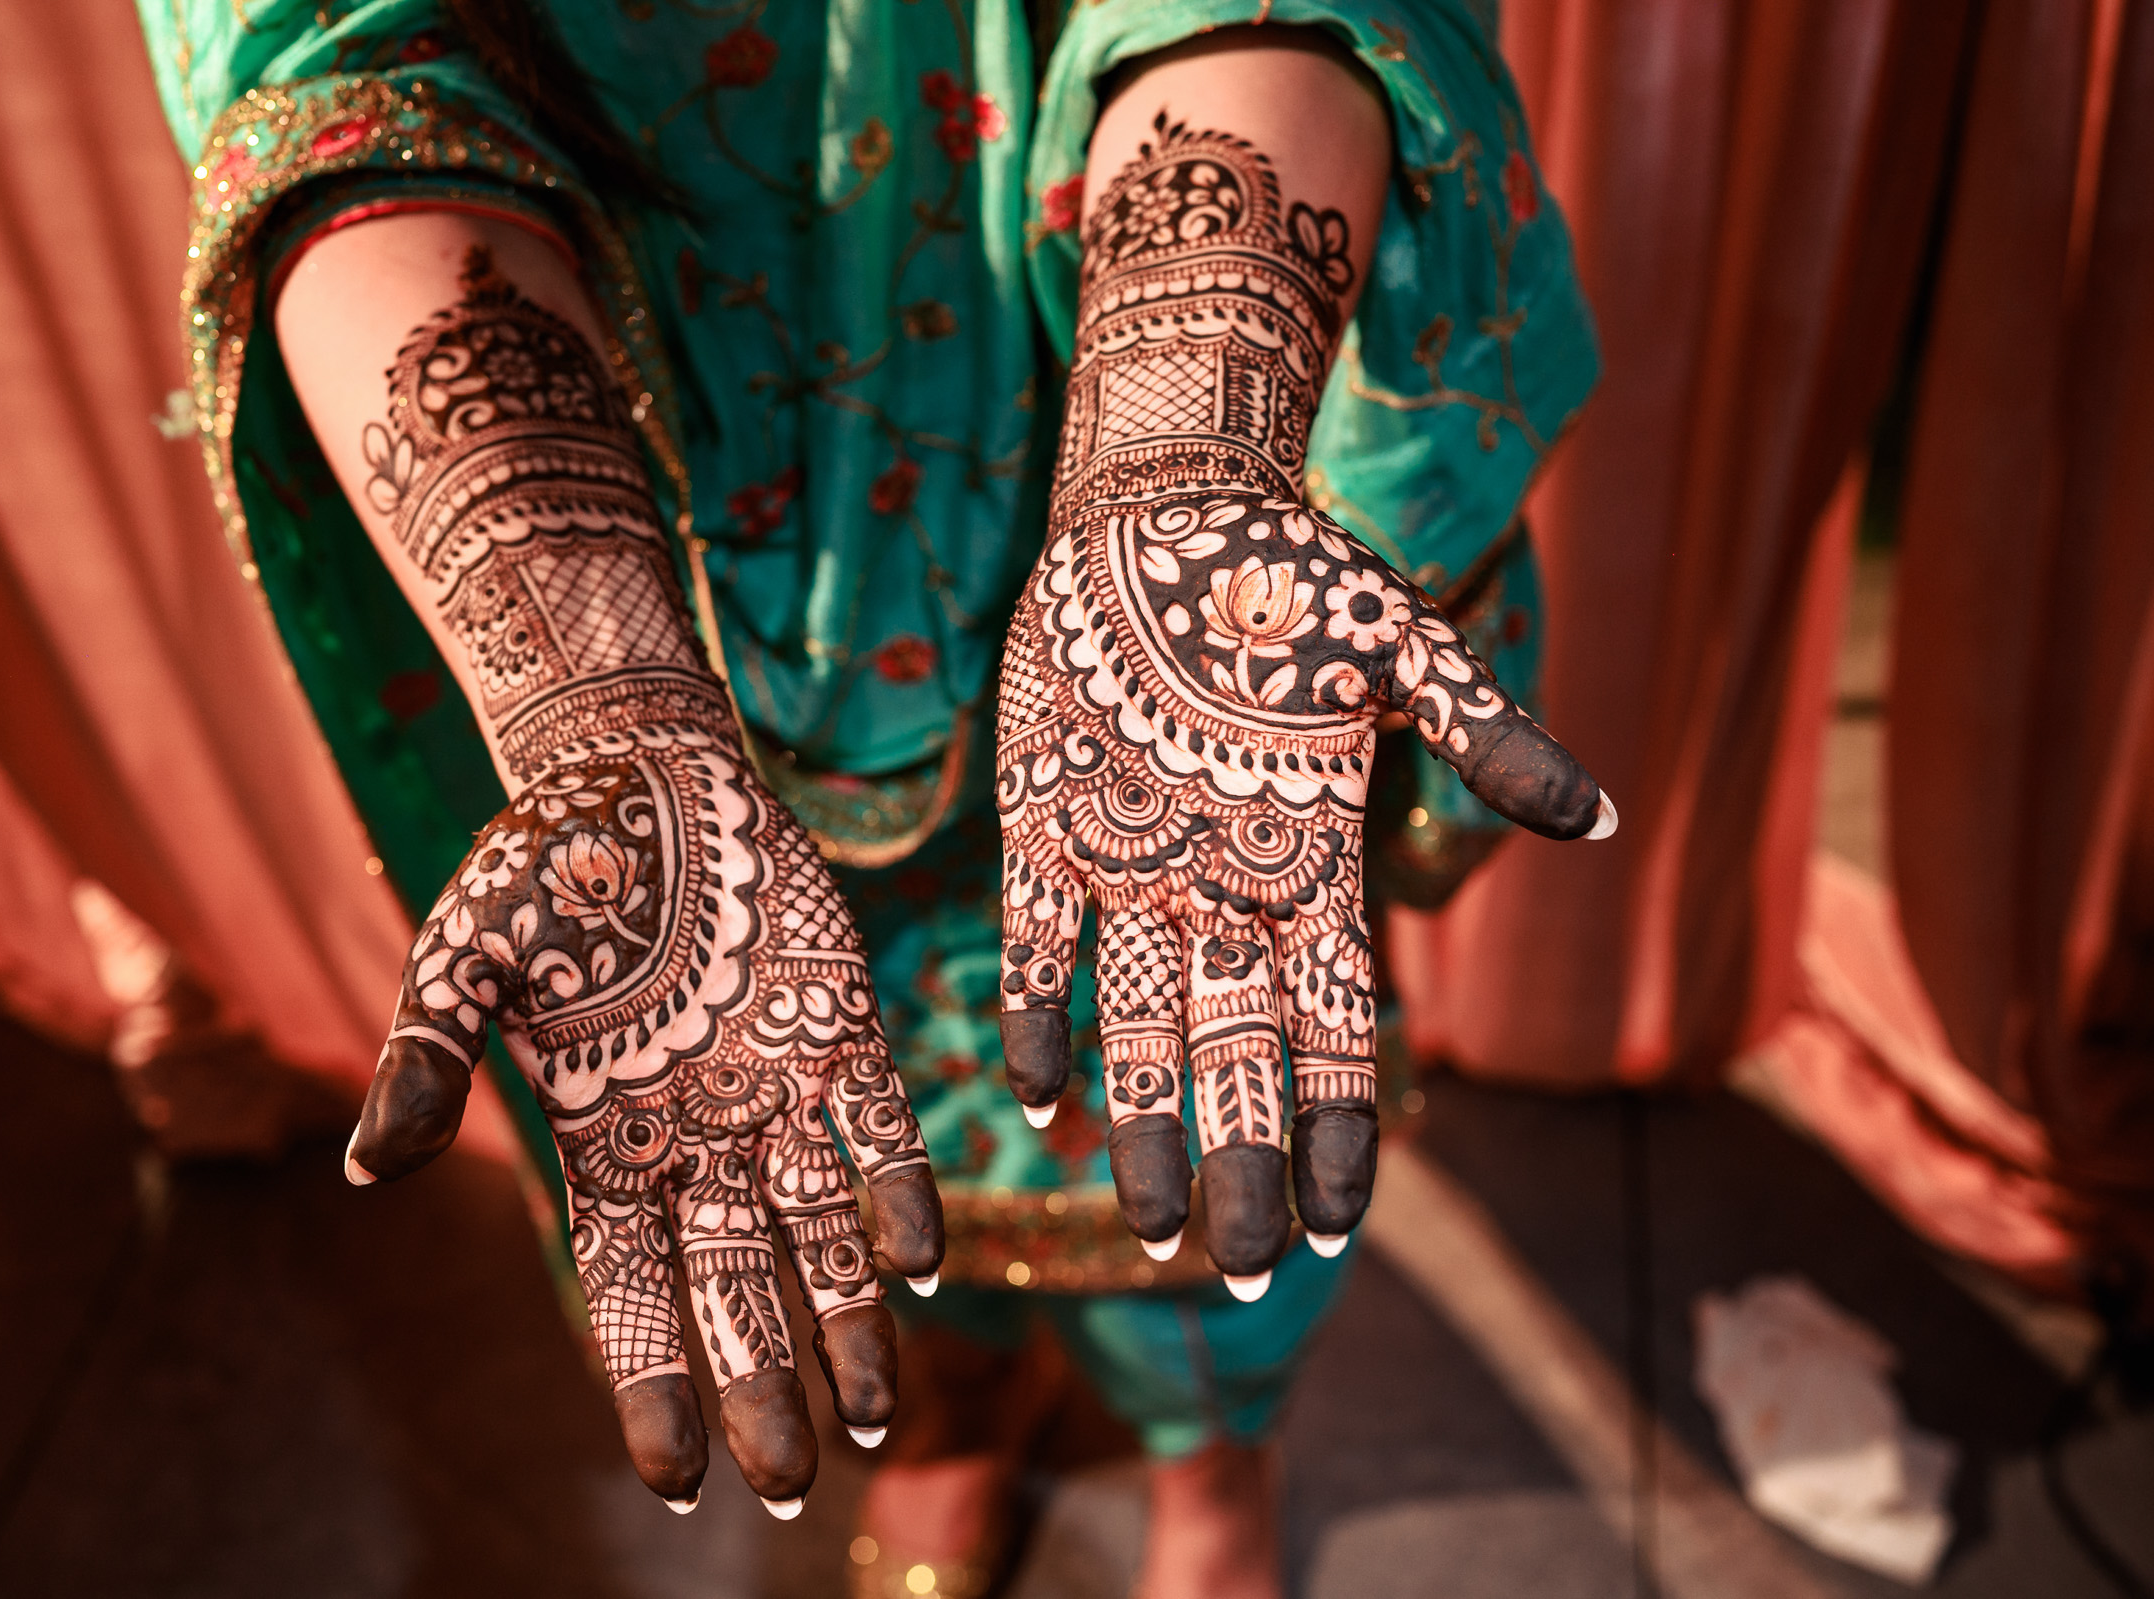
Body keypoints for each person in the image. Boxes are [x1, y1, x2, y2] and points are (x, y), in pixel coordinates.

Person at [136, 0, 1608, 1592]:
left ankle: (1214, 1466)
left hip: (1122, 446)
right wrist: (612, 717)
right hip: (666, 539)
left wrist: (1173, 474)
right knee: (819, 1099)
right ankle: (959, 1417)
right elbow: (340, 84)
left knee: (1211, 1083)